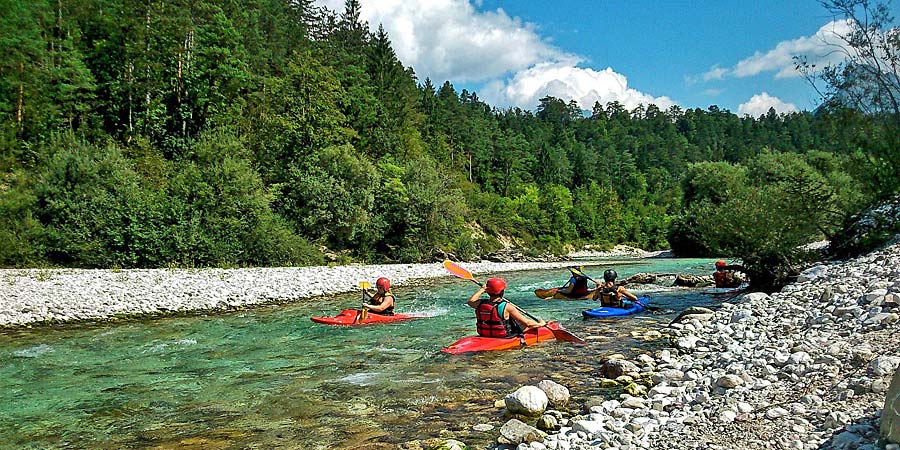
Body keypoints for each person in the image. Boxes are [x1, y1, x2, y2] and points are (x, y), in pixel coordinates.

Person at [467, 277, 545, 337]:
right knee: (525, 326)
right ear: (502, 292)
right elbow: (527, 323)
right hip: (503, 336)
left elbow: (470, 301)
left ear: (487, 291)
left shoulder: (480, 304)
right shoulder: (507, 306)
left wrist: (482, 290)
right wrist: (541, 324)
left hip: (484, 334)